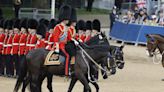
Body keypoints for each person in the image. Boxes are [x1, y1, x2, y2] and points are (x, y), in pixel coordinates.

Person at [52, 4, 72, 76]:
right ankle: (66, 72)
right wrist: (57, 47)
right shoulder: (58, 27)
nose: (68, 20)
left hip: (65, 45)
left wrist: (75, 41)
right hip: (59, 46)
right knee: (67, 56)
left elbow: (69, 37)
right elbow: (56, 38)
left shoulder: (66, 28)